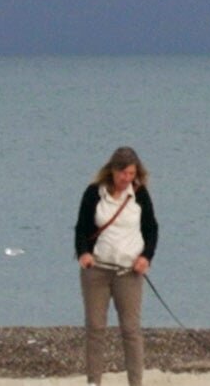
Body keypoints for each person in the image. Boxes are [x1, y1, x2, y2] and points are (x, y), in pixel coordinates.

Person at [72, 147, 158, 386]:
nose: (127, 179)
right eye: (123, 174)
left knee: (130, 330)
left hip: (128, 272)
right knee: (95, 328)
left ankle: (135, 382)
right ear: (112, 171)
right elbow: (81, 228)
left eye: (131, 174)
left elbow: (151, 229)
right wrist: (83, 254)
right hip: (97, 270)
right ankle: (93, 382)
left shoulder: (140, 194)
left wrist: (146, 258)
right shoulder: (93, 193)